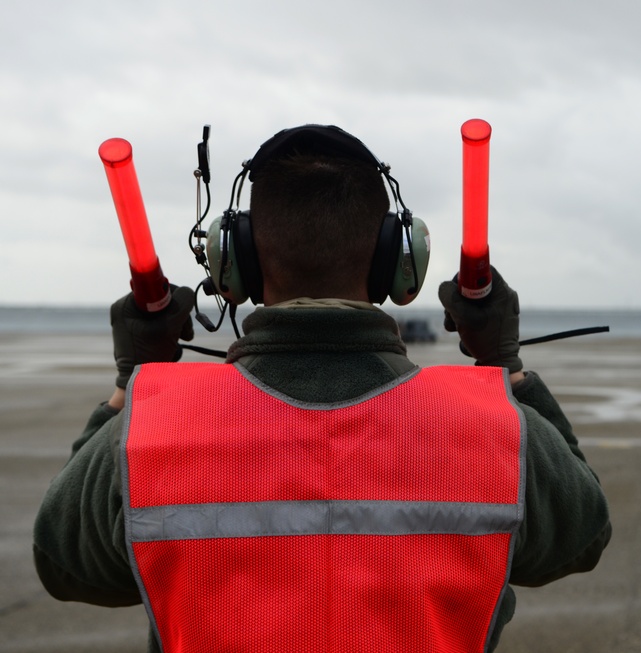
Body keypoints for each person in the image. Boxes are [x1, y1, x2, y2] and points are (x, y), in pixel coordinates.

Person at [33, 124, 611, 652]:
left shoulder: (148, 435)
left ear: (236, 264)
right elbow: (582, 538)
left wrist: (131, 383)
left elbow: (63, 562)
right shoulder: (496, 432)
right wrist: (504, 366)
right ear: (397, 261)